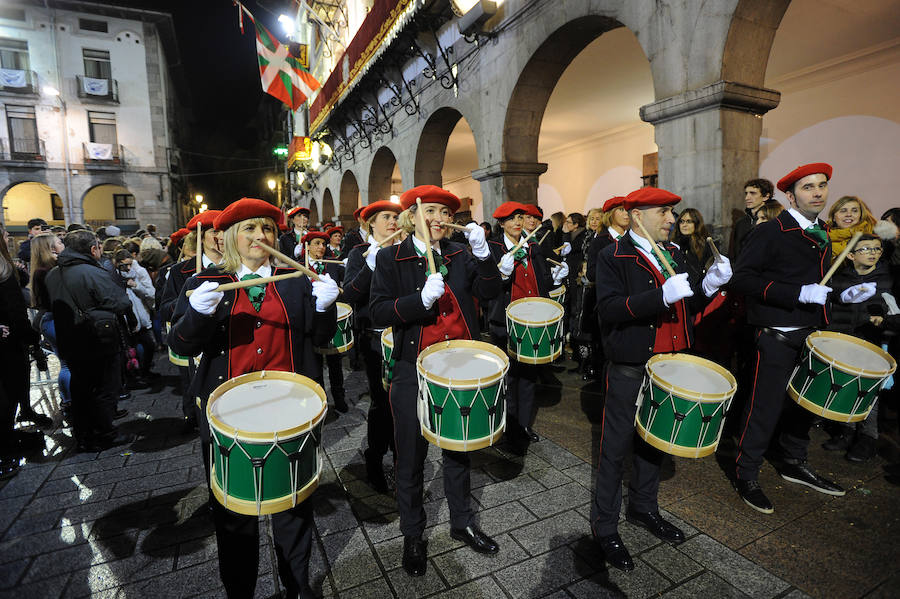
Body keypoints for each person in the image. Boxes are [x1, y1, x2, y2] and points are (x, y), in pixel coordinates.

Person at [170, 197, 339, 599]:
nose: (259, 236)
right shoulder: (205, 284)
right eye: (248, 229)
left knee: (295, 508)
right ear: (230, 238)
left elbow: (321, 338)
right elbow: (178, 342)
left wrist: (325, 308)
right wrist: (195, 313)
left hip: (290, 413)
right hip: (229, 417)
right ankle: (240, 591)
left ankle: (296, 586)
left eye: (266, 228)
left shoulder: (296, 280)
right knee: (232, 516)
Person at [590, 186, 732, 571]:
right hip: (630, 364)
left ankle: (643, 508)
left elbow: (689, 302)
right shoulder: (612, 255)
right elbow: (609, 309)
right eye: (664, 213)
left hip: (669, 361)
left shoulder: (675, 252)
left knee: (656, 441)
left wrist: (711, 284)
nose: (673, 220)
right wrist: (659, 298)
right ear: (637, 216)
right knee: (614, 447)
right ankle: (604, 527)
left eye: (673, 213)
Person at [370, 185, 502, 577]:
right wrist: (418, 302)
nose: (439, 218)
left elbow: (491, 291)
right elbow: (377, 311)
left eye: (445, 212)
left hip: (459, 363)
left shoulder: (461, 255)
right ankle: (413, 532)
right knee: (409, 454)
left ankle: (462, 522)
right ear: (412, 215)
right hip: (413, 367)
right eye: (430, 210)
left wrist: (484, 255)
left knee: (458, 448)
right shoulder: (390, 256)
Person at [730, 162, 871, 514]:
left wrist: (843, 294)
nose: (818, 192)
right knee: (765, 406)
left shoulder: (823, 231)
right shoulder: (770, 232)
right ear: (791, 196)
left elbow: (820, 285)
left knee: (803, 407)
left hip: (813, 335)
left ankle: (793, 461)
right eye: (808, 187)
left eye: (822, 185)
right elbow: (742, 280)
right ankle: (746, 472)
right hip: (777, 334)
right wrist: (796, 294)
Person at [487, 201, 568, 454]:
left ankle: (523, 425)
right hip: (506, 321)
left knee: (529, 378)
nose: (517, 223)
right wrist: (500, 274)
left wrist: (554, 278)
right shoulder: (492, 248)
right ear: (502, 224)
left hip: (533, 320)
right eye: (511, 219)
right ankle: (510, 430)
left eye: (520, 217)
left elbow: (540, 277)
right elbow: (485, 287)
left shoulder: (533, 245)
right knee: (510, 378)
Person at [45, 230, 134, 451]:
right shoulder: (93, 272)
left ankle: (84, 434)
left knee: (81, 388)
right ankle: (105, 433)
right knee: (104, 387)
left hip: (69, 339)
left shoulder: (52, 274)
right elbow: (120, 303)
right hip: (98, 339)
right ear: (93, 249)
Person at [342, 199, 402, 491]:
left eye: (396, 216)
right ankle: (375, 458)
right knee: (382, 402)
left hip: (403, 336)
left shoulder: (405, 250)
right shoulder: (358, 253)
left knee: (403, 401)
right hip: (375, 338)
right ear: (371, 224)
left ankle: (402, 458)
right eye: (386, 217)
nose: (392, 221)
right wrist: (368, 265)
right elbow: (350, 295)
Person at [824, 233, 892, 461]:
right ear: (851, 255)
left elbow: (888, 307)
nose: (873, 252)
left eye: (877, 248)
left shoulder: (886, 279)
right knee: (846, 387)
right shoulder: (840, 278)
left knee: (868, 392)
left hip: (870, 342)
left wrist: (882, 319)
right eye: (866, 249)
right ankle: (847, 431)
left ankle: (868, 438)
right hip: (844, 340)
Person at [159, 210, 223, 430]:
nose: (220, 237)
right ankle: (193, 417)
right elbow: (165, 309)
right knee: (194, 386)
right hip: (195, 344)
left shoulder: (236, 267)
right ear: (200, 236)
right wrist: (190, 305)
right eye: (214, 231)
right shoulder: (180, 271)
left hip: (225, 346)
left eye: (223, 231)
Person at [303, 230, 348, 413]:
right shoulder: (299, 266)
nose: (321, 247)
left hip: (331, 320)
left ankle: (339, 397)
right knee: (314, 364)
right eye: (317, 243)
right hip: (311, 322)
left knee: (335, 362)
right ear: (307, 247)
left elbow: (349, 282)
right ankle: (320, 401)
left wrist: (351, 266)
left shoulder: (333, 265)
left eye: (323, 244)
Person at [29, 233, 69, 425]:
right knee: (67, 363)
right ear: (51, 248)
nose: (63, 244)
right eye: (59, 242)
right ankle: (69, 402)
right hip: (54, 319)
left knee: (67, 363)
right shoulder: (46, 272)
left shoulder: (44, 270)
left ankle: (69, 401)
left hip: (52, 319)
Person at [731, 178, 773, 257]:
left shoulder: (774, 220)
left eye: (752, 193)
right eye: (746, 193)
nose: (747, 198)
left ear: (766, 196)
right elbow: (735, 252)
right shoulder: (741, 223)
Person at [672, 208, 713, 280]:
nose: (684, 225)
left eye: (689, 221)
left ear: (697, 224)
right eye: (681, 221)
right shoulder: (673, 244)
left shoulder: (706, 244)